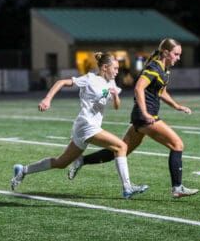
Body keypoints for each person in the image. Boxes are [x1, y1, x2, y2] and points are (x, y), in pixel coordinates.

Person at [68, 38, 199, 198]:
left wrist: (176, 106)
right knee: (177, 145)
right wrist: (145, 113)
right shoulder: (154, 67)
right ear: (166, 53)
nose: (178, 58)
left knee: (122, 150)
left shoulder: (165, 69)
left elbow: (162, 92)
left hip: (141, 117)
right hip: (145, 117)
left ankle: (81, 160)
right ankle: (177, 188)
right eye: (176, 54)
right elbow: (138, 88)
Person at [11, 52, 148, 199]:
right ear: (105, 67)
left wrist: (114, 96)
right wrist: (47, 99)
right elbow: (61, 82)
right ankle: (127, 187)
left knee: (61, 162)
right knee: (121, 146)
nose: (117, 71)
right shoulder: (89, 79)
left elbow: (116, 106)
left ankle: (23, 170)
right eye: (114, 68)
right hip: (86, 124)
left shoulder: (111, 82)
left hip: (84, 127)